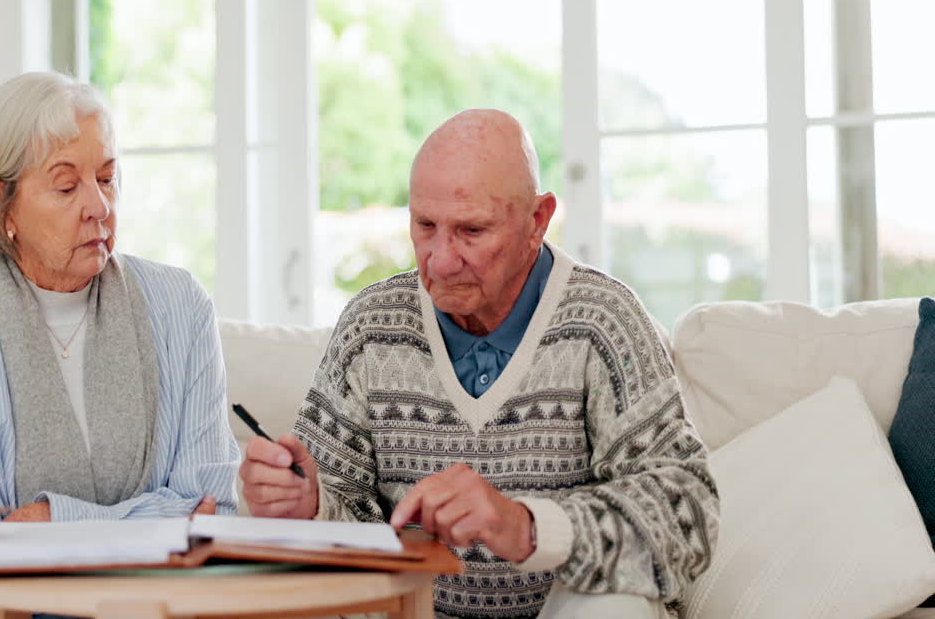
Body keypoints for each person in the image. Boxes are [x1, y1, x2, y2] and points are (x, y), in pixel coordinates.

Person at [239, 109, 718, 618]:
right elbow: (344, 532)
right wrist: (308, 506)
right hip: (415, 611)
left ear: (537, 221)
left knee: (615, 607)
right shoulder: (371, 325)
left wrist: (526, 527)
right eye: (425, 225)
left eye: (471, 231)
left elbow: (687, 515)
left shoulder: (604, 322)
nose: (440, 260)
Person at [0, 72, 240, 619]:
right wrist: (144, 526)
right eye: (67, 186)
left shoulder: (180, 306)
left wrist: (49, 522)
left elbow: (212, 514)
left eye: (107, 178)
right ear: (2, 208)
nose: (98, 206)